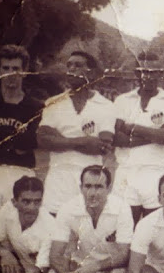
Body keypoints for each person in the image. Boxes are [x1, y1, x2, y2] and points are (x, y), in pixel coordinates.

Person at [47, 166, 133, 273]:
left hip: (109, 266)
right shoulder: (67, 209)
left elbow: (124, 254)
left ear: (109, 188)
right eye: (88, 186)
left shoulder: (122, 208)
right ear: (81, 187)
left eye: (99, 187)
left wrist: (95, 267)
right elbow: (54, 255)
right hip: (79, 267)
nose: (93, 193)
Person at [37, 51, 116, 215]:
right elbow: (43, 140)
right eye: (69, 65)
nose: (71, 69)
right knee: (55, 224)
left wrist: (59, 139)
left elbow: (102, 146)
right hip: (58, 177)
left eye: (78, 65)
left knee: (85, 225)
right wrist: (84, 141)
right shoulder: (53, 102)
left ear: (91, 72)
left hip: (90, 180)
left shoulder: (106, 105)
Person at [112, 51, 164, 223]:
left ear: (160, 74)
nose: (147, 77)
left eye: (152, 72)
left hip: (156, 170)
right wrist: (155, 134)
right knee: (125, 227)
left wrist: (133, 128)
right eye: (143, 72)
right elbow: (117, 139)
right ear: (137, 73)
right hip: (126, 171)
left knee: (154, 228)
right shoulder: (122, 100)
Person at [0, 45, 44, 226]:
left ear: (25, 71)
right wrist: (16, 139)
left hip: (21, 172)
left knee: (16, 228)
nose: (11, 74)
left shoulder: (36, 106)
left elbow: (28, 144)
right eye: (6, 68)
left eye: (16, 68)